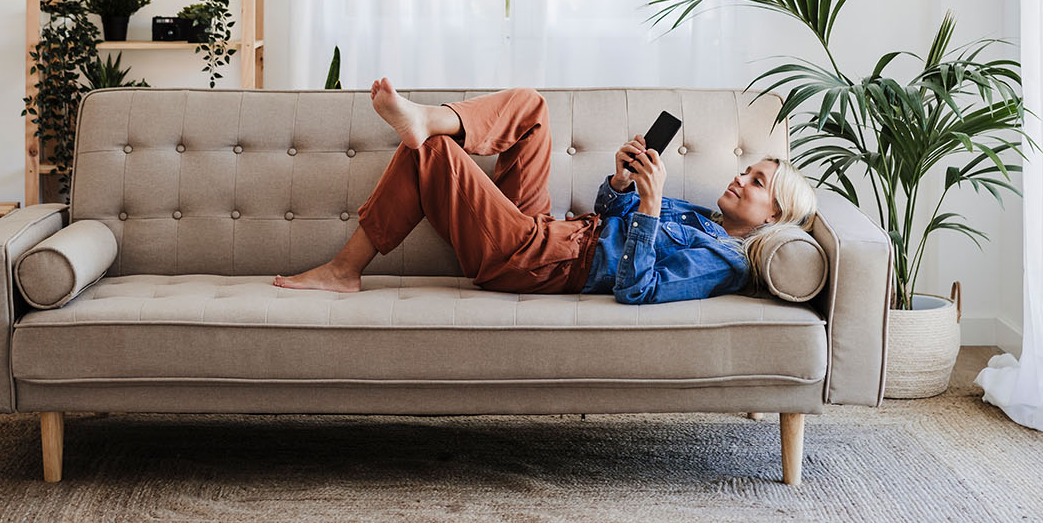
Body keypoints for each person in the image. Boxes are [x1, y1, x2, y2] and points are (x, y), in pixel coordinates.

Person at [272, 79, 820, 304]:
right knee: (532, 107)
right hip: (546, 234)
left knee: (431, 153)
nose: (740, 178)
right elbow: (613, 214)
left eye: (756, 183)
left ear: (775, 215)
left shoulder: (725, 262)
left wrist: (650, 210)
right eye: (747, 170)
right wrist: (623, 182)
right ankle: (430, 116)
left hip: (543, 263)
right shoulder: (705, 219)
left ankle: (344, 270)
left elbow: (637, 290)